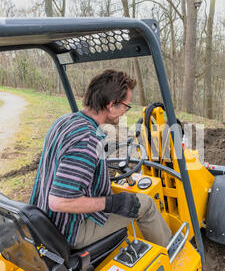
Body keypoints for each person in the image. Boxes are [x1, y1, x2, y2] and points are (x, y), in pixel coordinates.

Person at [30, 69, 172, 250]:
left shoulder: (65, 121)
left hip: (45, 221)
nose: (125, 112)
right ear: (111, 105)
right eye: (125, 106)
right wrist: (112, 203)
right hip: (70, 230)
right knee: (146, 205)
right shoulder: (88, 139)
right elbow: (59, 201)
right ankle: (168, 257)